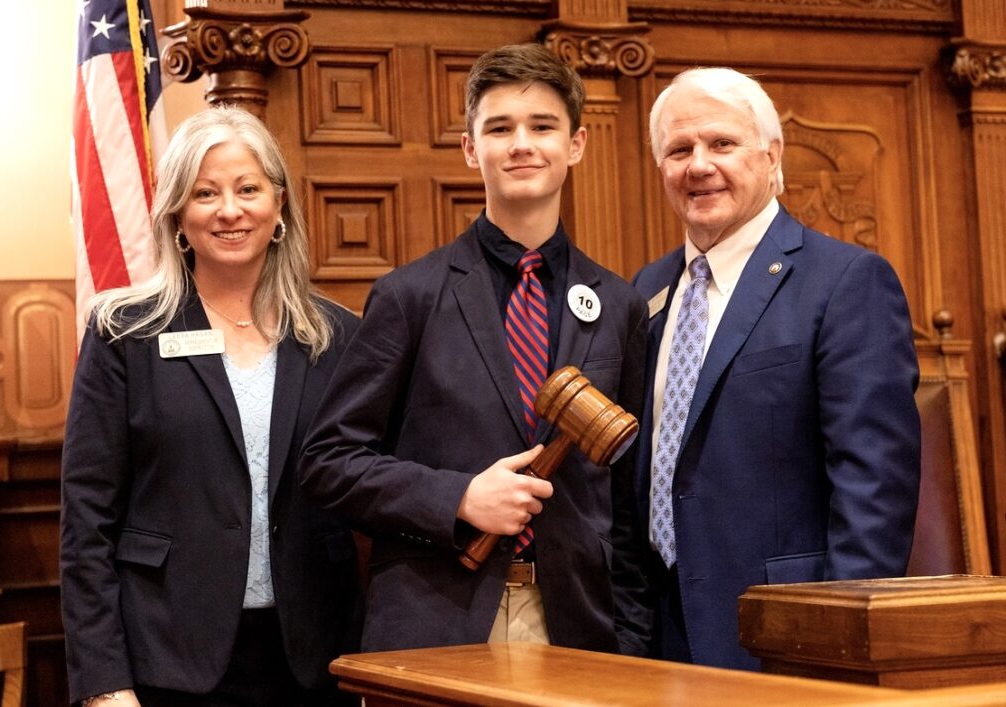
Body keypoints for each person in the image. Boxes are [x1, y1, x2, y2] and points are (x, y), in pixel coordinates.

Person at [299, 43, 651, 655]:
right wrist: (457, 498)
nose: (522, 144)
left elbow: (626, 500)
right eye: (499, 128)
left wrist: (634, 641)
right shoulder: (409, 295)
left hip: (579, 630)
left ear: (576, 145)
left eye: (542, 126)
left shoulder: (618, 305)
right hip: (438, 622)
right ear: (470, 148)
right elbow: (329, 463)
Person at [60, 106, 362, 707]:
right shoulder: (126, 334)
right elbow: (86, 520)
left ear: (278, 207)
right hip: (167, 656)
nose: (230, 210)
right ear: (177, 215)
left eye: (248, 188)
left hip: (312, 656)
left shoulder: (337, 336)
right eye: (205, 193)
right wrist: (104, 684)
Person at [632, 67, 921, 671]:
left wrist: (842, 643)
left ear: (771, 155)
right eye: (678, 150)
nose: (698, 165)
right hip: (656, 633)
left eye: (722, 143)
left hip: (786, 634)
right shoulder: (648, 291)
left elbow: (873, 488)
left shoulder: (845, 282)